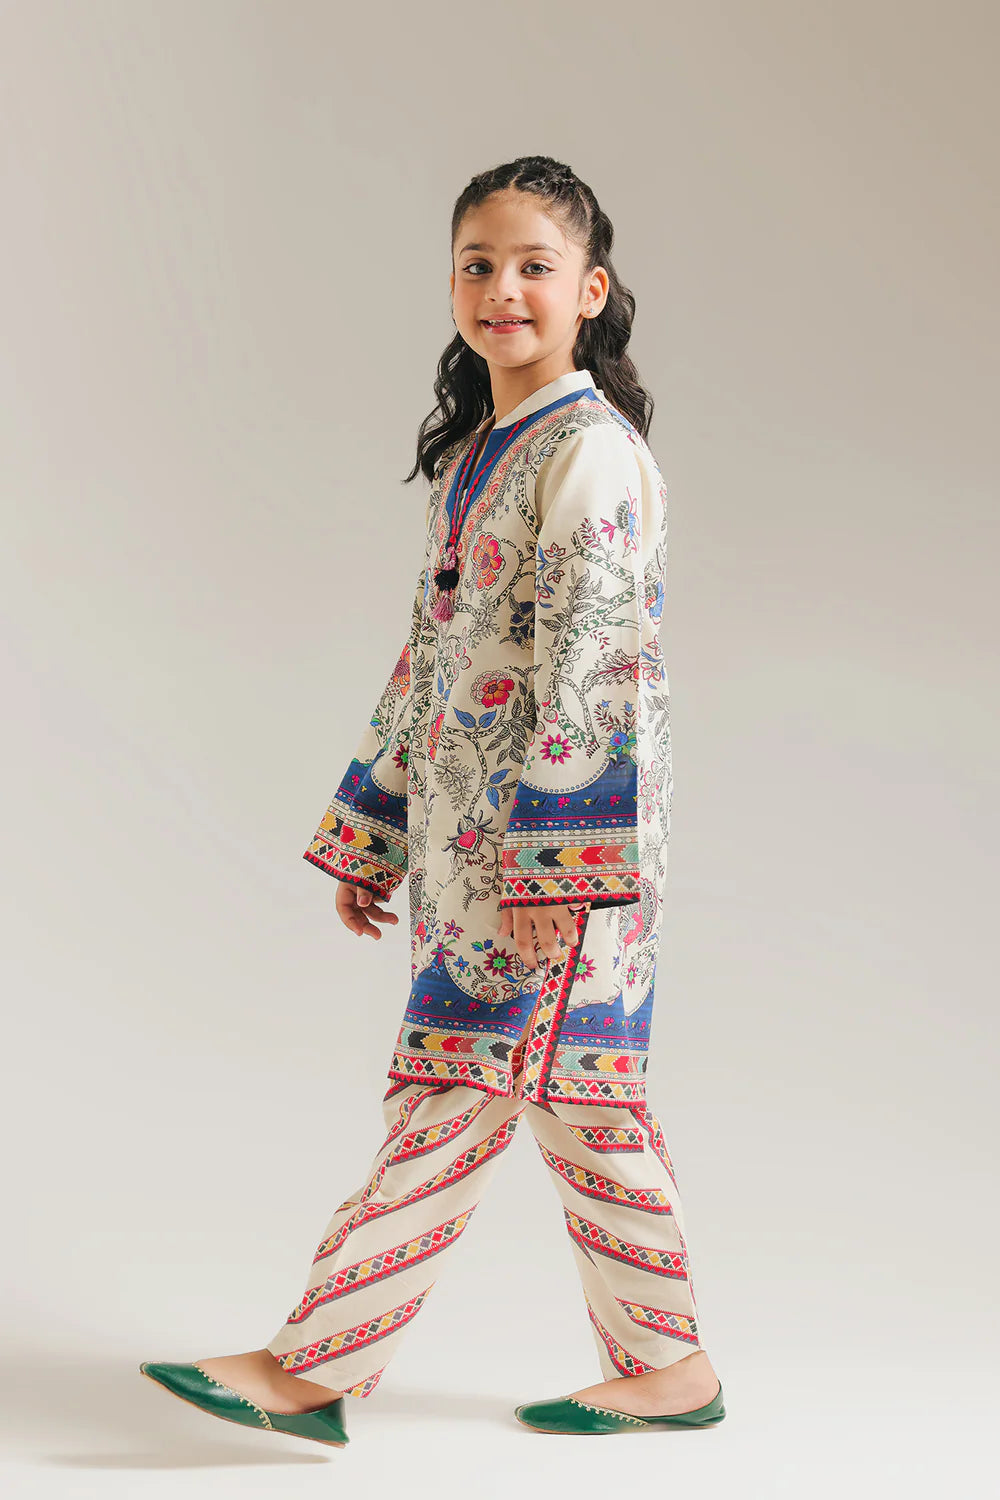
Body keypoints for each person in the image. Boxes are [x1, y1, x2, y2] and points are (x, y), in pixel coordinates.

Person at [140, 154, 726, 1447]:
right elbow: (435, 659)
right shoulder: (483, 455)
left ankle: (312, 1370)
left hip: (554, 860)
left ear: (591, 291)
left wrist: (554, 867)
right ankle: (670, 1369)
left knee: (452, 1097)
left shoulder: (591, 454)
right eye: (478, 264)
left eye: (534, 266)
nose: (503, 288)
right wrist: (379, 831)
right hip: (476, 856)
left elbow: (597, 664)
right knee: (584, 1106)